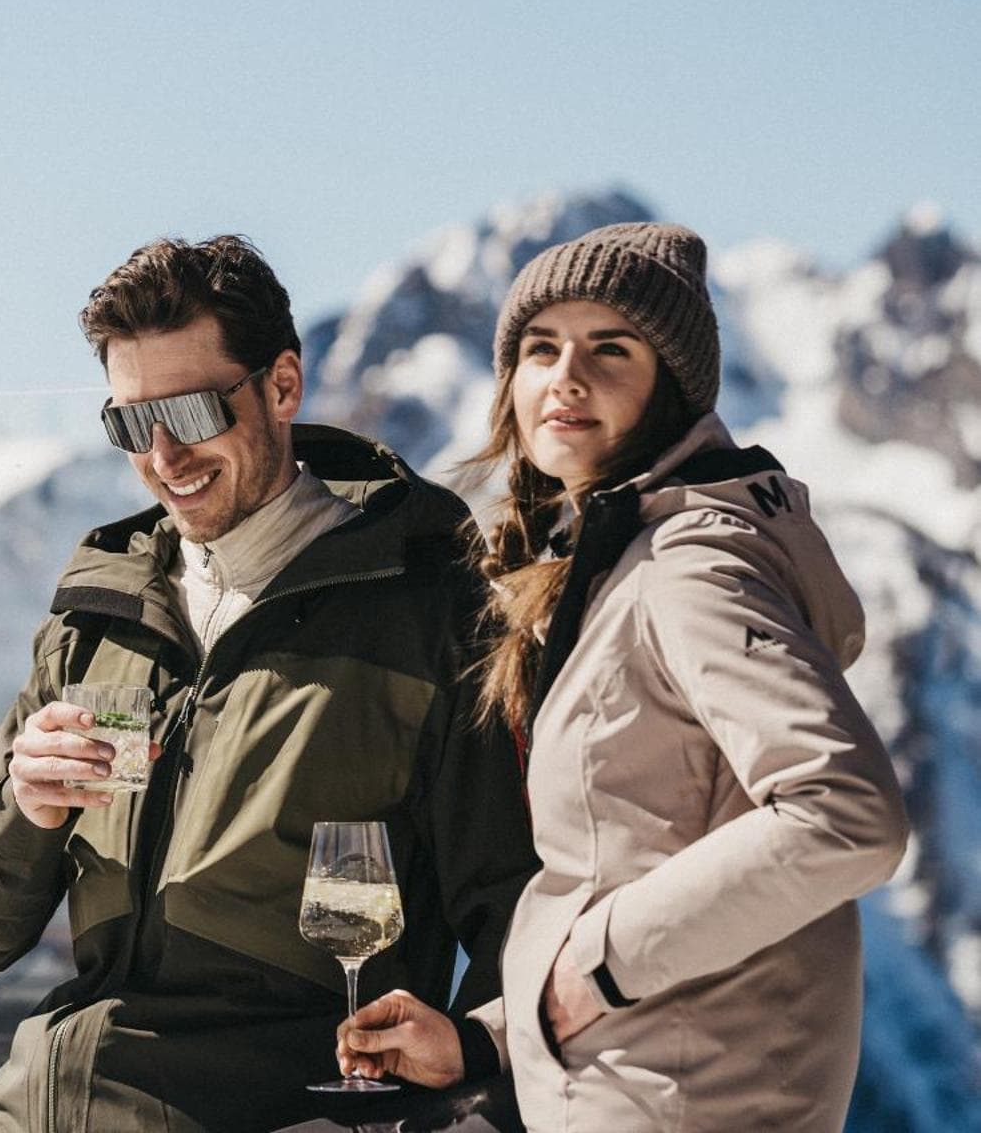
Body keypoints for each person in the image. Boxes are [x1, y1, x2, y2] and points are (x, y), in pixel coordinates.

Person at [0, 233, 536, 1133]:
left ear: (282, 386)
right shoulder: (102, 619)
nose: (164, 456)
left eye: (193, 412)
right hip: (33, 1104)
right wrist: (25, 808)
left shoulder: (427, 613)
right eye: (132, 424)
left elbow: (523, 910)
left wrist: (463, 1080)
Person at [336, 221, 908, 1132]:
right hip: (644, 1079)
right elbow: (641, 863)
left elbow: (846, 815)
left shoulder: (690, 566)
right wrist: (488, 1039)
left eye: (611, 350)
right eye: (541, 348)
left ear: (668, 388)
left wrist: (592, 967)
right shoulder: (626, 559)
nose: (566, 376)